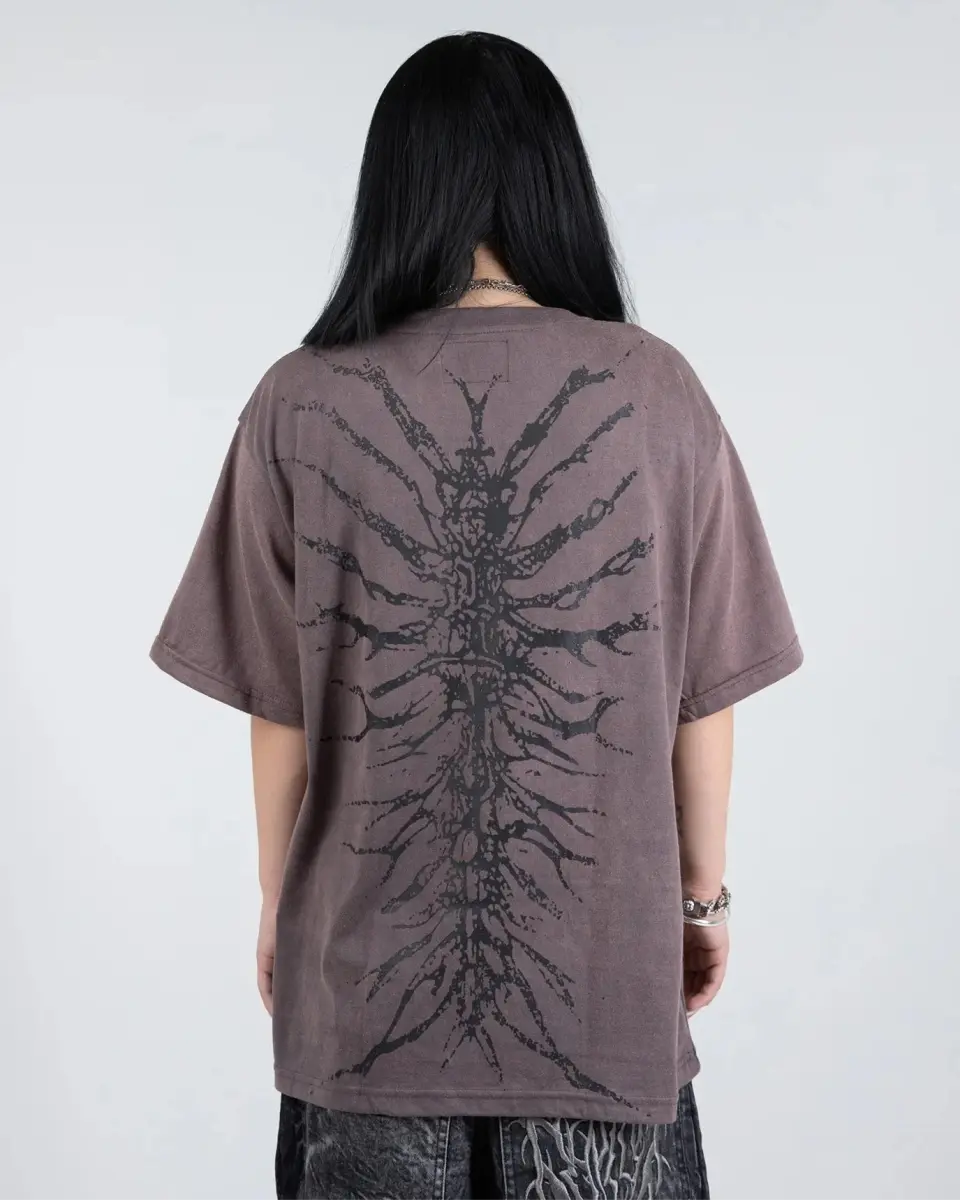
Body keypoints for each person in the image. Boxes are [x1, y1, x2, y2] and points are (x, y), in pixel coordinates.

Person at [150, 30, 802, 1200]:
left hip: (364, 1004)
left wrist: (280, 907)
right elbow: (702, 690)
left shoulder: (298, 398)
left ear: (395, 185)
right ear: (555, 180)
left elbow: (279, 710)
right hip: (603, 1005)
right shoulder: (657, 388)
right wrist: (702, 898)